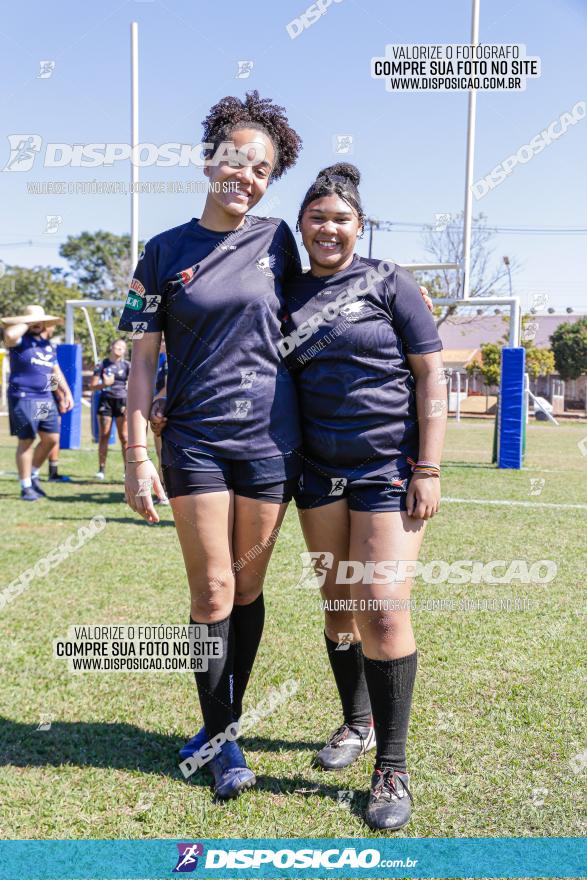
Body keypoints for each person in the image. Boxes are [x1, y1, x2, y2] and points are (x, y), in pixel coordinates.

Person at [120, 92, 303, 799]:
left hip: (270, 442)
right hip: (193, 442)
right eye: (236, 161)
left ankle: (215, 721)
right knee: (213, 589)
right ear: (209, 161)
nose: (246, 177)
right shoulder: (163, 251)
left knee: (248, 588)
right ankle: (225, 743)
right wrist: (137, 455)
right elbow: (140, 364)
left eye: (261, 170)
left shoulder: (279, 239)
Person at [281, 163, 447, 831]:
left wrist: (428, 468)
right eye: (317, 217)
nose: (328, 228)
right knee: (337, 608)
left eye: (340, 218)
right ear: (301, 225)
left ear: (359, 225)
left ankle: (392, 766)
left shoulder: (388, 281)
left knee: (379, 607)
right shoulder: (286, 293)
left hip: (387, 468)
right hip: (318, 471)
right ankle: (356, 723)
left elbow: (428, 371)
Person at [1, 304, 74, 501]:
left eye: (40, 321)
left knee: (51, 439)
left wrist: (66, 393)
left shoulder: (47, 345)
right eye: (33, 321)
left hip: (44, 399)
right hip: (23, 397)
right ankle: (25, 487)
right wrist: (26, 322)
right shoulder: (18, 340)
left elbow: (54, 372)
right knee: (26, 440)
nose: (37, 324)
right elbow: (9, 336)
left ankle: (33, 474)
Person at [90, 339, 130, 480]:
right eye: (117, 345)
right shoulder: (101, 364)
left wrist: (129, 402)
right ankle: (101, 469)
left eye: (123, 347)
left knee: (124, 437)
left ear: (125, 350)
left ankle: (127, 470)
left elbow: (133, 385)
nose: (120, 348)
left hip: (122, 402)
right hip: (105, 401)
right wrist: (104, 384)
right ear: (111, 347)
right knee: (104, 436)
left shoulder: (127, 365)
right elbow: (92, 385)